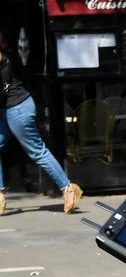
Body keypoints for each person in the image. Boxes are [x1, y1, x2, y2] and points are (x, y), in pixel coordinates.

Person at [0, 34, 82, 216]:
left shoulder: (4, 63)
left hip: (18, 108)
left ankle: (68, 188)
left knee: (36, 151)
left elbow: (4, 90)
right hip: (5, 109)